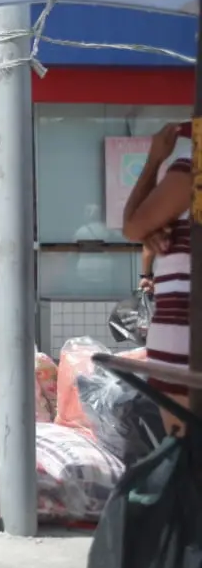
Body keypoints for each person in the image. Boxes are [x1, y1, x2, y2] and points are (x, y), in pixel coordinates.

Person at [122, 122, 193, 435]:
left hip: (186, 348)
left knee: (188, 465)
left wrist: (154, 158)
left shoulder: (194, 166)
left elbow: (132, 226)